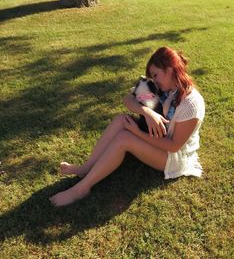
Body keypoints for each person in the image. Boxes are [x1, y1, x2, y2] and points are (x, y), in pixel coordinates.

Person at [49, 47, 205, 207]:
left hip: (174, 158)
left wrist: (136, 132)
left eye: (156, 74)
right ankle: (86, 168)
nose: (154, 80)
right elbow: (128, 100)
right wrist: (147, 113)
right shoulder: (162, 87)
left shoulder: (191, 104)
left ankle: (81, 189)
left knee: (124, 138)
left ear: (170, 69)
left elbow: (173, 146)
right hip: (158, 138)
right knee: (121, 120)